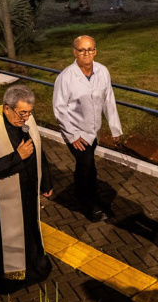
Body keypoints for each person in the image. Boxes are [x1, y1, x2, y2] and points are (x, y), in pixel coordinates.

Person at [0, 85, 53, 292]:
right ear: (7, 108)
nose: (26, 118)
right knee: (6, 236)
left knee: (29, 228)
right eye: (22, 113)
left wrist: (46, 182)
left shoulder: (27, 123)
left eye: (29, 112)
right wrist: (16, 157)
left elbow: (38, 152)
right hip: (0, 199)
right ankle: (12, 274)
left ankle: (32, 264)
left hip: (26, 193)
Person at [52, 35, 122, 222]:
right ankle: (88, 204)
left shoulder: (102, 71)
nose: (86, 53)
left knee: (88, 166)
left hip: (94, 131)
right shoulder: (66, 78)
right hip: (75, 132)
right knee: (87, 166)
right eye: (82, 50)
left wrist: (115, 129)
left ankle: (89, 197)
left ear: (95, 51)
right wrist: (73, 135)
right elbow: (59, 110)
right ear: (75, 52)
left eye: (90, 49)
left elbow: (109, 100)